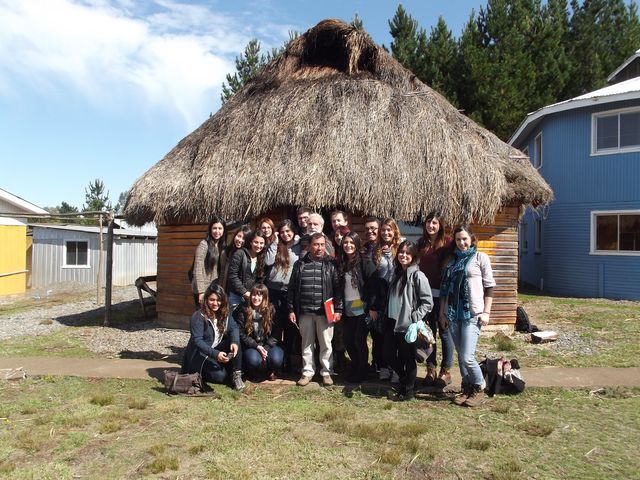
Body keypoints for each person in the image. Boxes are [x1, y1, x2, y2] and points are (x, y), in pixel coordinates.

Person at [440, 225, 495, 408]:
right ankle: (467, 388)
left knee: (467, 356)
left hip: (472, 313)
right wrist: (443, 312)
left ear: (472, 239)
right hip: (453, 314)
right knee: (460, 355)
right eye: (458, 239)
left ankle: (479, 386)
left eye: (464, 239)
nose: (462, 243)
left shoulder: (480, 258)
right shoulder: (452, 261)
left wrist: (486, 312)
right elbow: (445, 290)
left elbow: (489, 286)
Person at [287, 233, 343, 386]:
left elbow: (338, 289)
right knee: (306, 344)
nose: (319, 248)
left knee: (326, 344)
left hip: (325, 312)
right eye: (316, 244)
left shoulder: (331, 264)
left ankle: (326, 372)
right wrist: (291, 309)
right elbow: (291, 288)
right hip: (304, 312)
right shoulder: (300, 264)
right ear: (309, 246)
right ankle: (307, 372)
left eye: (322, 245)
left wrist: (338, 309)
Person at [386, 240, 433, 401]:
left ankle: (408, 391)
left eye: (407, 253)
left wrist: (415, 317)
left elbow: (428, 302)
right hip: (393, 321)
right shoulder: (397, 273)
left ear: (413, 256)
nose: (403, 255)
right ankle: (406, 381)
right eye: (401, 252)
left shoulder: (418, 275)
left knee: (407, 358)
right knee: (390, 355)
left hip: (407, 324)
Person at [181, 283, 245, 390]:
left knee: (236, 342)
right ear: (206, 300)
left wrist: (234, 342)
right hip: (199, 355)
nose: (215, 303)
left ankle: (237, 374)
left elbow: (234, 328)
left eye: (218, 300)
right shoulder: (198, 316)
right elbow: (198, 342)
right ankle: (198, 374)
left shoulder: (224, 313)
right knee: (221, 376)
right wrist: (216, 354)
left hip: (214, 349)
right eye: (212, 300)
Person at [418, 213, 455, 388]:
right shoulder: (421, 244)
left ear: (440, 225)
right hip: (425, 296)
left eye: (434, 223)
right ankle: (430, 369)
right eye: (428, 222)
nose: (431, 225)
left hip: (444, 295)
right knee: (429, 334)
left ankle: (445, 371)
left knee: (445, 332)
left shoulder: (448, 243)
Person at [337, 232, 380, 383]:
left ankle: (362, 369)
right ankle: (355, 366)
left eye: (351, 242)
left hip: (362, 304)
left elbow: (374, 285)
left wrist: (373, 306)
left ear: (357, 244)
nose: (348, 245)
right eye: (345, 242)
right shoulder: (342, 261)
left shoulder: (365, 261)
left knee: (358, 338)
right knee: (348, 338)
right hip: (348, 304)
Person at [265, 219, 302, 371]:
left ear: (293, 231)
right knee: (274, 325)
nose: (286, 234)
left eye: (289, 231)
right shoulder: (276, 244)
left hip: (290, 291)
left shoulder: (299, 245)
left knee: (290, 327)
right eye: (283, 232)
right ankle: (273, 361)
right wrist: (274, 242)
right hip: (273, 290)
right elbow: (268, 262)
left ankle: (288, 360)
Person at [233, 284, 284, 380]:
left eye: (259, 295)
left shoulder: (272, 309)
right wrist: (256, 346)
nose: (256, 298)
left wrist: (267, 347)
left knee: (276, 359)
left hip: (269, 344)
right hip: (252, 345)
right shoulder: (243, 309)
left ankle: (271, 370)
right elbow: (241, 333)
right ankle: (255, 371)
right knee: (253, 360)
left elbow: (277, 332)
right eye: (254, 295)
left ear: (264, 297)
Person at [372, 218, 401, 382]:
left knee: (395, 334)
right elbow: (372, 277)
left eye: (389, 230)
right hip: (381, 298)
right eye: (383, 230)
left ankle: (396, 368)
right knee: (381, 335)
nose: (386, 233)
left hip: (397, 298)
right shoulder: (375, 250)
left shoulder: (401, 248)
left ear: (394, 231)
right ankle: (383, 366)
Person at [191, 216, 226, 307]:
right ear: (210, 229)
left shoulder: (222, 246)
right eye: (214, 228)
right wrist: (201, 292)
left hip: (215, 288)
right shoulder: (204, 245)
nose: (217, 231)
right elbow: (197, 269)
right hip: (203, 289)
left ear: (223, 230)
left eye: (220, 228)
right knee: (203, 316)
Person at [228, 230, 267, 308]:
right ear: (250, 242)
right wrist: (244, 292)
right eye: (256, 242)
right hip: (236, 296)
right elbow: (232, 275)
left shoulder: (261, 258)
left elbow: (261, 279)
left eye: (261, 243)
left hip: (252, 297)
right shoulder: (240, 253)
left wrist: (255, 294)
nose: (258, 245)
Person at [219, 224, 252, 293]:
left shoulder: (248, 255)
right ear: (235, 235)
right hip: (226, 289)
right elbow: (222, 273)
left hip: (242, 292)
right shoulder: (226, 252)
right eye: (239, 236)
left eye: (244, 238)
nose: (240, 240)